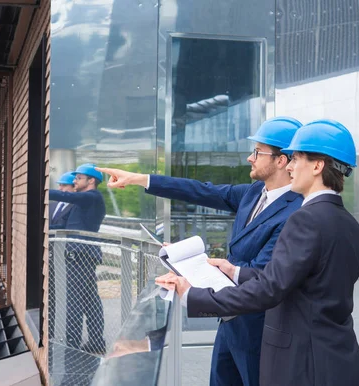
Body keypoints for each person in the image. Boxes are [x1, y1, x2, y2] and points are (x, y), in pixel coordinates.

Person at [157, 119, 359, 386]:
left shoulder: (305, 220)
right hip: (338, 357)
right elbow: (305, 281)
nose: (290, 166)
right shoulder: (348, 223)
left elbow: (269, 288)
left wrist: (193, 295)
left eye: (296, 159)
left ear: (317, 166)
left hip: (302, 361)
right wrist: (235, 271)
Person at [98, 116, 304, 386]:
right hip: (230, 323)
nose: (249, 158)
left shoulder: (296, 211)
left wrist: (195, 272)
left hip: (260, 330)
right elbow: (201, 191)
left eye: (257, 152)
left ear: (282, 160)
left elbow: (263, 276)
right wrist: (140, 179)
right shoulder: (254, 193)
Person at [48, 163, 107, 383]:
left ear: (90, 180)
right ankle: (96, 341)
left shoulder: (92, 197)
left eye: (79, 178)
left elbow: (67, 197)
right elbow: (61, 225)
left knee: (75, 300)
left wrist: (41, 191)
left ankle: (72, 344)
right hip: (79, 253)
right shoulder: (83, 202)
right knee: (90, 299)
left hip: (80, 254)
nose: (75, 182)